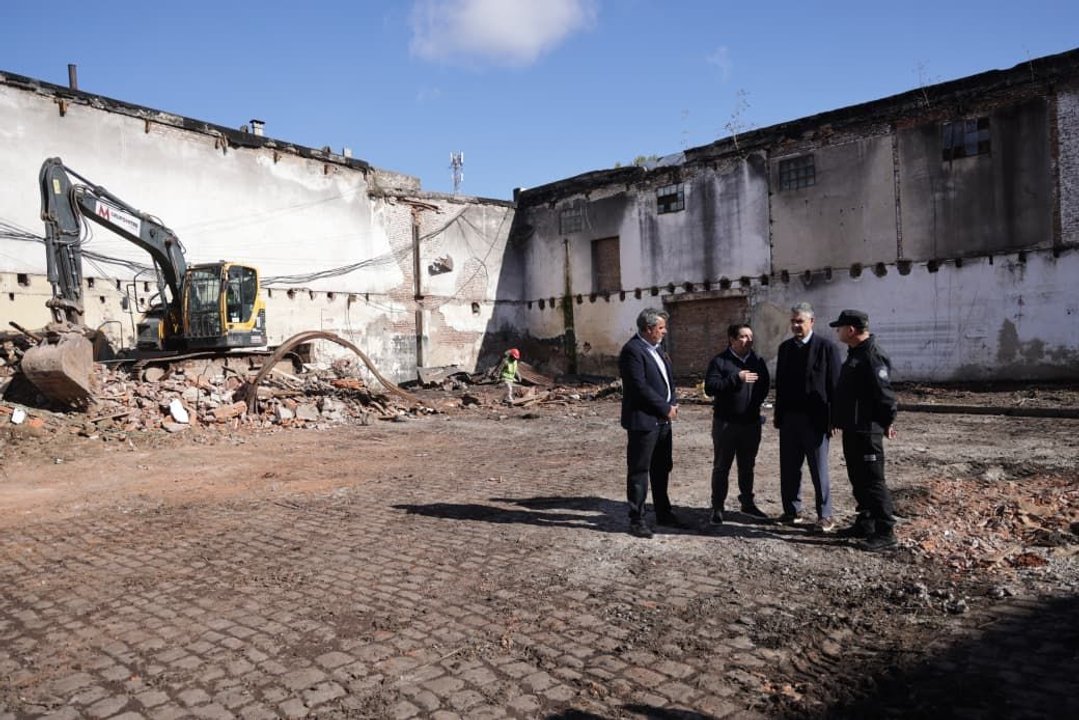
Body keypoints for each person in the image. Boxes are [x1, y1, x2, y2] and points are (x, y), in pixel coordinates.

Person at [829, 309, 900, 551]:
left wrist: (887, 422)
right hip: (854, 428)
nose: (837, 332)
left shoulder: (871, 355)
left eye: (839, 328)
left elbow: (885, 395)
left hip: (868, 430)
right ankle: (866, 522)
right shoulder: (856, 353)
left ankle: (885, 531)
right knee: (858, 478)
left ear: (851, 330)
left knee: (873, 480)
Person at [773, 302, 843, 532]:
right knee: (789, 468)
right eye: (793, 321)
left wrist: (834, 419)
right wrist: (779, 416)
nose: (796, 325)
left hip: (816, 420)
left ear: (811, 322)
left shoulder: (826, 348)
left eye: (800, 321)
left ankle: (825, 515)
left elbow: (835, 386)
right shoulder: (785, 349)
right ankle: (792, 511)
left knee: (818, 469)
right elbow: (780, 385)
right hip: (789, 419)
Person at [619, 308, 684, 538]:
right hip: (644, 422)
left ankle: (663, 512)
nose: (665, 332)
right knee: (640, 471)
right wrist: (665, 408)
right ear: (648, 329)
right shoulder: (632, 351)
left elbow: (668, 381)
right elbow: (639, 387)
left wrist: (672, 402)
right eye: (661, 328)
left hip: (663, 422)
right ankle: (637, 519)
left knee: (662, 467)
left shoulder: (658, 350)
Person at [704, 323, 771, 524]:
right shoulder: (720, 361)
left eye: (750, 336)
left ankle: (747, 503)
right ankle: (717, 507)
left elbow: (764, 386)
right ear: (732, 339)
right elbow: (710, 387)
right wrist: (736, 378)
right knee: (721, 466)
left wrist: (753, 406)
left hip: (750, 423)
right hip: (726, 424)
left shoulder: (757, 361)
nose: (748, 340)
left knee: (747, 465)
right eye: (743, 336)